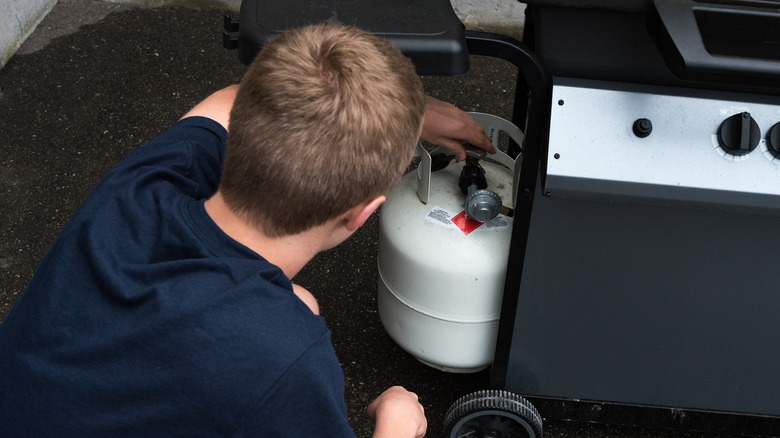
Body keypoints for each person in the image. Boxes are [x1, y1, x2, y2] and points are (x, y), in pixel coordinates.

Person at [0, 23, 493, 438]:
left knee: (299, 304)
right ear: (361, 214)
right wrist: (396, 418)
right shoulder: (284, 361)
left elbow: (227, 101)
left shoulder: (143, 185)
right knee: (298, 316)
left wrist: (411, 113)